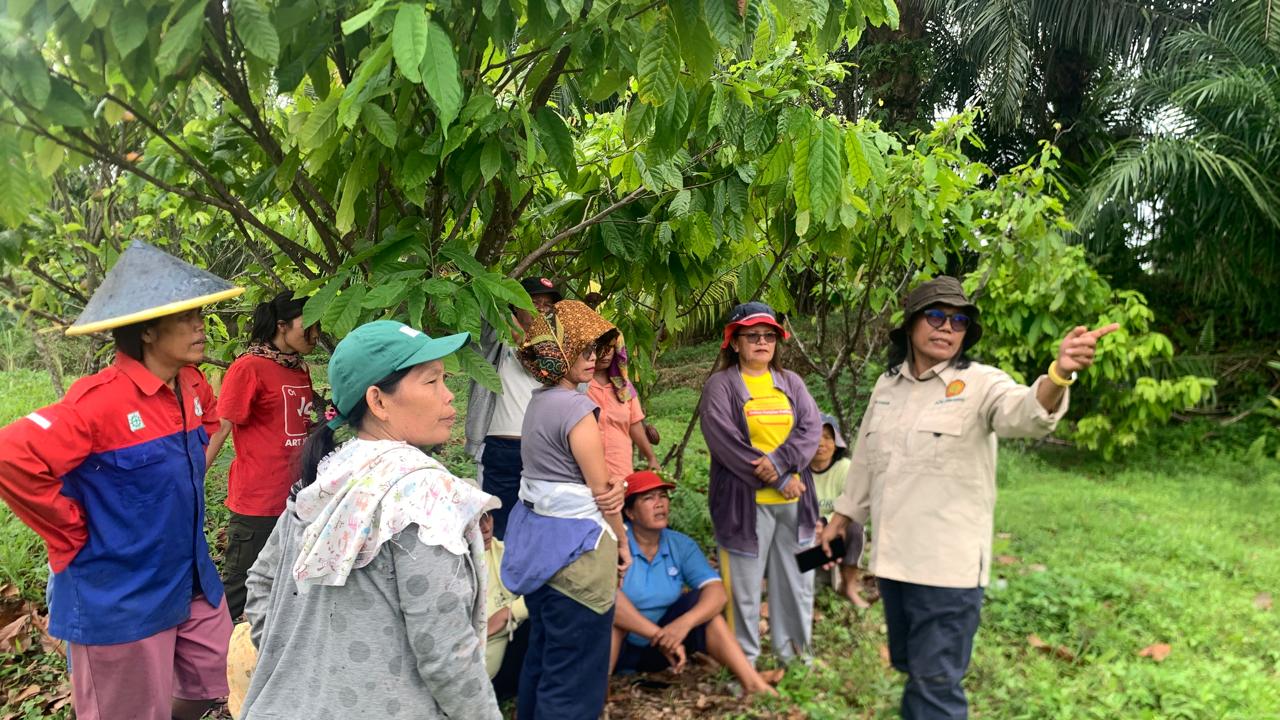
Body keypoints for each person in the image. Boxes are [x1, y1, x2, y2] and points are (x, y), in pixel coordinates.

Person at [820, 276, 1119, 719]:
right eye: (936, 316)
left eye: (958, 321)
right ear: (910, 325)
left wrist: (1059, 374)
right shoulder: (887, 388)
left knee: (936, 683)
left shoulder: (981, 383)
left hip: (947, 570)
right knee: (913, 668)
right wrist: (841, 518)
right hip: (893, 563)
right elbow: (865, 458)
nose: (947, 327)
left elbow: (1027, 412)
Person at [0, 240, 240, 720]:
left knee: (214, 679)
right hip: (120, 596)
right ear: (147, 331)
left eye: (200, 314)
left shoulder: (192, 384)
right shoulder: (98, 403)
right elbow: (11, 455)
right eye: (185, 317)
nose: (200, 326)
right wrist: (68, 531)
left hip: (190, 579)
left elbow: (208, 427)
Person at [240, 320, 501, 719]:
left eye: (446, 380)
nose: (449, 396)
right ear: (378, 401)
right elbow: (448, 653)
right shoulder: (422, 496)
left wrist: (296, 665)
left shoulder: (328, 478)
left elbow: (260, 585)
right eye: (431, 382)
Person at [499, 300, 630, 720]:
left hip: (541, 554)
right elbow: (601, 491)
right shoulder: (576, 409)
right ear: (560, 350)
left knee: (542, 663)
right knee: (573, 683)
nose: (594, 360)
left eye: (596, 351)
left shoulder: (539, 401)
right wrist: (623, 541)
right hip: (578, 559)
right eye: (584, 350)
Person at [699, 301, 822, 666]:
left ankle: (796, 658)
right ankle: (744, 664)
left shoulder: (792, 383)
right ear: (734, 343)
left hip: (797, 506)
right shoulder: (720, 386)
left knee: (799, 584)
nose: (762, 342)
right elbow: (725, 444)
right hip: (743, 509)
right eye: (752, 336)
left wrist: (783, 467)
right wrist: (779, 476)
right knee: (744, 592)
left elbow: (811, 428)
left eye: (769, 336)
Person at [610, 470, 779, 696]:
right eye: (648, 499)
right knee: (610, 619)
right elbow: (609, 599)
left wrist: (683, 624)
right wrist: (657, 635)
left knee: (703, 605)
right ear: (630, 512)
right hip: (619, 647)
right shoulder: (615, 543)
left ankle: (752, 683)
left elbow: (717, 593)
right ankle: (597, 694)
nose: (659, 504)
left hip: (665, 648)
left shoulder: (680, 544)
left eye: (662, 496)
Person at [206, 291, 318, 621]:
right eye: (307, 326)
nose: (314, 335)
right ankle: (214, 663)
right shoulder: (248, 368)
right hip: (257, 502)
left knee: (288, 587)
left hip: (297, 499)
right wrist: (192, 478)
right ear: (282, 326)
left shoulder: (299, 369)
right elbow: (221, 426)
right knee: (239, 589)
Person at [465, 276, 562, 540]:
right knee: (496, 529)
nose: (541, 309)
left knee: (541, 527)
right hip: (501, 449)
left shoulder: (561, 350)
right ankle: (495, 581)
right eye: (533, 302)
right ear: (515, 306)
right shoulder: (496, 342)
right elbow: (485, 311)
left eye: (547, 305)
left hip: (545, 450)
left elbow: (545, 366)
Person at [810, 413, 868, 608]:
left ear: (836, 443)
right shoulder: (798, 471)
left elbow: (852, 502)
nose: (820, 443)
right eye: (815, 436)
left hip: (837, 538)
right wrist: (816, 528)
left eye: (827, 437)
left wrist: (828, 524)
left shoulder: (845, 468)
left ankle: (849, 586)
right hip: (808, 539)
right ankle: (810, 580)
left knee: (854, 527)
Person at [585, 336, 661, 478]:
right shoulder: (579, 386)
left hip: (621, 469)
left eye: (612, 348)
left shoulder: (623, 386)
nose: (606, 353)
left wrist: (651, 458)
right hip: (585, 475)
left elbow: (634, 424)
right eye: (601, 347)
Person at [481, 511, 529, 703]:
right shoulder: (448, 566)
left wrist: (509, 612)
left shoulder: (505, 552)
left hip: (499, 670)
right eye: (475, 521)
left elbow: (547, 589)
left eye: (488, 517)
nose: (485, 528)